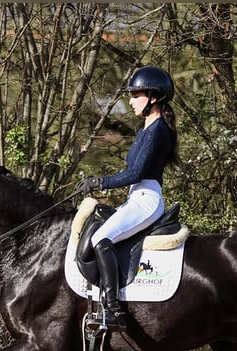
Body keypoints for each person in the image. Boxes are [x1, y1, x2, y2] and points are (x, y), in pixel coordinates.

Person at [75, 65, 179, 331]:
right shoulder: (147, 129)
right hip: (137, 198)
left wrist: (100, 182)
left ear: (153, 97)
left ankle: (113, 310)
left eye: (136, 95)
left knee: (101, 239)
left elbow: (136, 173)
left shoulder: (157, 130)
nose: (130, 100)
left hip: (146, 199)